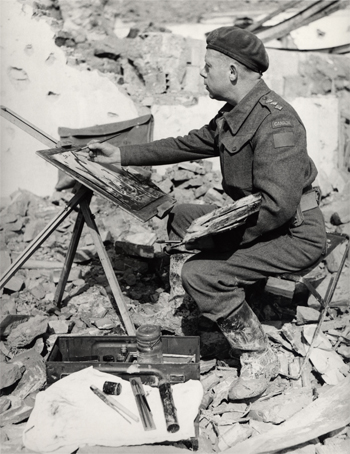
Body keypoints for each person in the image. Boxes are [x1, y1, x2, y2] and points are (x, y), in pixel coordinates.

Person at [88, 26, 327, 401]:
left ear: (232, 71)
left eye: (207, 65)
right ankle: (232, 289)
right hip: (259, 220)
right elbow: (188, 144)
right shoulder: (235, 114)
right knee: (181, 215)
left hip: (295, 233)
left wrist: (215, 236)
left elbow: (277, 207)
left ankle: (258, 356)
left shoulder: (277, 122)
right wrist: (121, 155)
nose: (201, 73)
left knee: (200, 273)